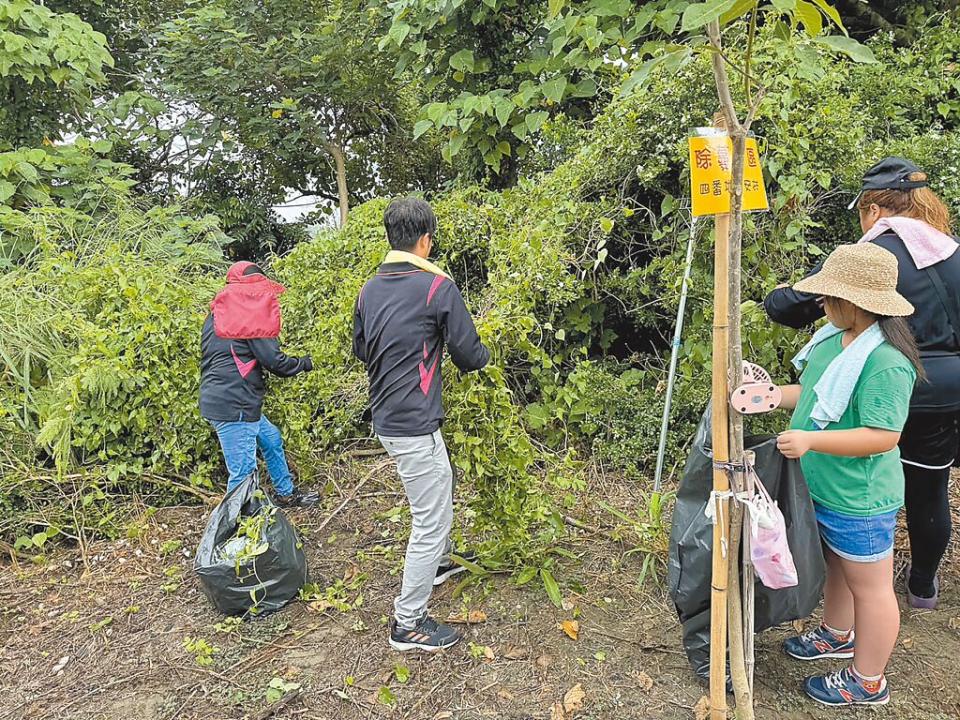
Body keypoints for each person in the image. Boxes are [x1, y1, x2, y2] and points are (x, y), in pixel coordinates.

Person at [765, 157, 960, 609]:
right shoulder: (950, 249)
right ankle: (922, 587)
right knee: (929, 487)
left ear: (872, 210)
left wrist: (781, 295)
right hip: (951, 391)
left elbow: (790, 306)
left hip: (896, 383)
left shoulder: (874, 260)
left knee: (866, 476)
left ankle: (865, 584)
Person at [775, 243, 920, 706]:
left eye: (829, 297)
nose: (821, 304)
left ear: (854, 304)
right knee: (837, 566)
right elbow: (812, 393)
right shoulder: (832, 341)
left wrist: (812, 441)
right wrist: (773, 395)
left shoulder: (886, 363)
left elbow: (883, 435)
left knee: (872, 588)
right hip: (822, 486)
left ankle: (868, 679)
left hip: (860, 497)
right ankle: (837, 632)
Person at [353, 198, 490, 652]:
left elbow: (360, 348)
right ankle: (407, 622)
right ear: (425, 239)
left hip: (388, 417)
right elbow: (470, 357)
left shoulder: (369, 289)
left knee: (441, 483)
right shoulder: (437, 287)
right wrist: (488, 354)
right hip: (413, 423)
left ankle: (440, 561)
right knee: (429, 518)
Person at [200, 261, 318, 507]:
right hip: (236, 405)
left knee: (271, 438)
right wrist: (305, 363)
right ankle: (234, 534)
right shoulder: (248, 315)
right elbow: (274, 361)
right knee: (242, 476)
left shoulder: (216, 315)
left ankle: (285, 493)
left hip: (225, 399)